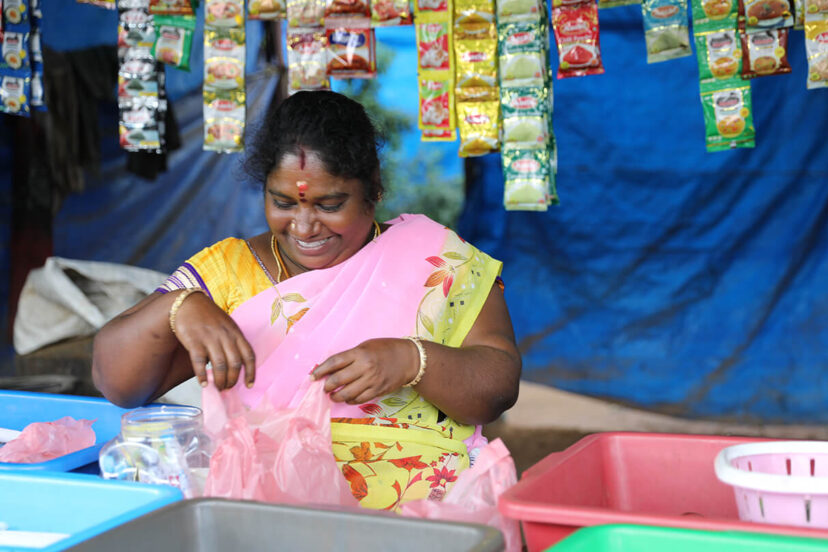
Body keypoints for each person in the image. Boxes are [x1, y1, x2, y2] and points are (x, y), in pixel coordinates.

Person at [92, 90, 522, 510]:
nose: (304, 226)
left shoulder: (436, 260)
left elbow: (498, 386)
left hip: (423, 515)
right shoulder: (229, 272)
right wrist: (174, 308)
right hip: (263, 512)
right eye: (282, 203)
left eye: (329, 204)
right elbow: (119, 385)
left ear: (374, 187)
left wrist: (413, 360)